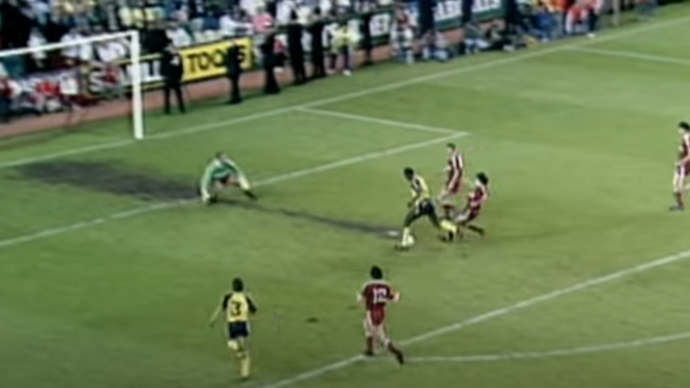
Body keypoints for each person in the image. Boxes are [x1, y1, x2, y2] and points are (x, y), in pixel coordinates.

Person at [209, 278, 258, 380]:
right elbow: (254, 310)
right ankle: (245, 372)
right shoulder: (245, 297)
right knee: (243, 347)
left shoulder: (228, 296)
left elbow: (220, 308)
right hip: (243, 324)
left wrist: (213, 319)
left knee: (232, 344)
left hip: (232, 324)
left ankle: (244, 370)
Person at [397, 167, 458, 250]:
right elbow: (417, 195)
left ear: (409, 175)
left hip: (424, 204)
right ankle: (453, 229)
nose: (406, 178)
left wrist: (418, 203)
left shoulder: (416, 181)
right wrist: (412, 202)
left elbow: (424, 191)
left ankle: (404, 243)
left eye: (406, 176)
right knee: (436, 223)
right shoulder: (414, 181)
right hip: (429, 204)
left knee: (407, 220)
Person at [359, 265, 404, 364]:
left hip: (372, 312)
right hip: (382, 312)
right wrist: (398, 296)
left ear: (372, 275)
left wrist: (362, 299)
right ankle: (369, 350)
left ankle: (396, 352)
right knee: (366, 325)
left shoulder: (368, 285)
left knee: (381, 336)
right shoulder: (386, 285)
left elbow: (361, 299)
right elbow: (395, 298)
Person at [454, 172, 490, 237]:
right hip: (469, 207)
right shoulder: (479, 187)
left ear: (480, 181)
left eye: (477, 180)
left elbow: (485, 197)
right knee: (461, 223)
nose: (475, 181)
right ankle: (479, 230)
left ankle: (454, 236)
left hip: (472, 209)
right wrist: (465, 181)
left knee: (457, 221)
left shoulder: (483, 188)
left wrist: (476, 202)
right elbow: (473, 186)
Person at [438, 143, 465, 218]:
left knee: (442, 197)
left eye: (448, 149)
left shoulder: (455, 157)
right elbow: (454, 167)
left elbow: (457, 170)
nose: (447, 151)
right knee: (445, 197)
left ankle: (455, 212)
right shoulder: (455, 156)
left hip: (453, 179)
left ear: (452, 149)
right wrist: (446, 169)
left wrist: (452, 182)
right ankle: (450, 213)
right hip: (451, 178)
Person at [160, 41, 185, 114]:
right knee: (167, 94)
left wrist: (180, 75)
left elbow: (180, 67)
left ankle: (181, 107)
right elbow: (163, 66)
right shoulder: (165, 56)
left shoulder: (177, 55)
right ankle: (167, 109)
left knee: (178, 93)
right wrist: (163, 75)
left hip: (175, 77)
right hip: (168, 77)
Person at [671, 122, 690, 211]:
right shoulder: (685, 138)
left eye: (680, 129)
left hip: (684, 164)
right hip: (681, 163)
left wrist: (681, 162)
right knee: (675, 183)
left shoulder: (688, 138)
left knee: (679, 185)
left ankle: (680, 205)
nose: (678, 131)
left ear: (684, 129)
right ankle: (679, 203)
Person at [286, 10, 307, 85]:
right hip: (299, 44)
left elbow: (288, 38)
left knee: (294, 63)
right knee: (300, 62)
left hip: (292, 46)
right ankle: (303, 77)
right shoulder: (299, 26)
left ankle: (297, 78)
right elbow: (301, 35)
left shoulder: (288, 26)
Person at [307, 7, 326, 79]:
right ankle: (322, 71)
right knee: (320, 56)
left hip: (315, 40)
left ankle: (316, 72)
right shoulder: (321, 21)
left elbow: (309, 29)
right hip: (320, 39)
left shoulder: (315, 22)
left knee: (315, 56)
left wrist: (309, 19)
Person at [225, 40, 243, 104]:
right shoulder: (237, 53)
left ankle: (235, 97)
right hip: (235, 69)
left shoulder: (229, 53)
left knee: (234, 85)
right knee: (235, 85)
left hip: (231, 70)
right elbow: (240, 59)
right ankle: (236, 97)